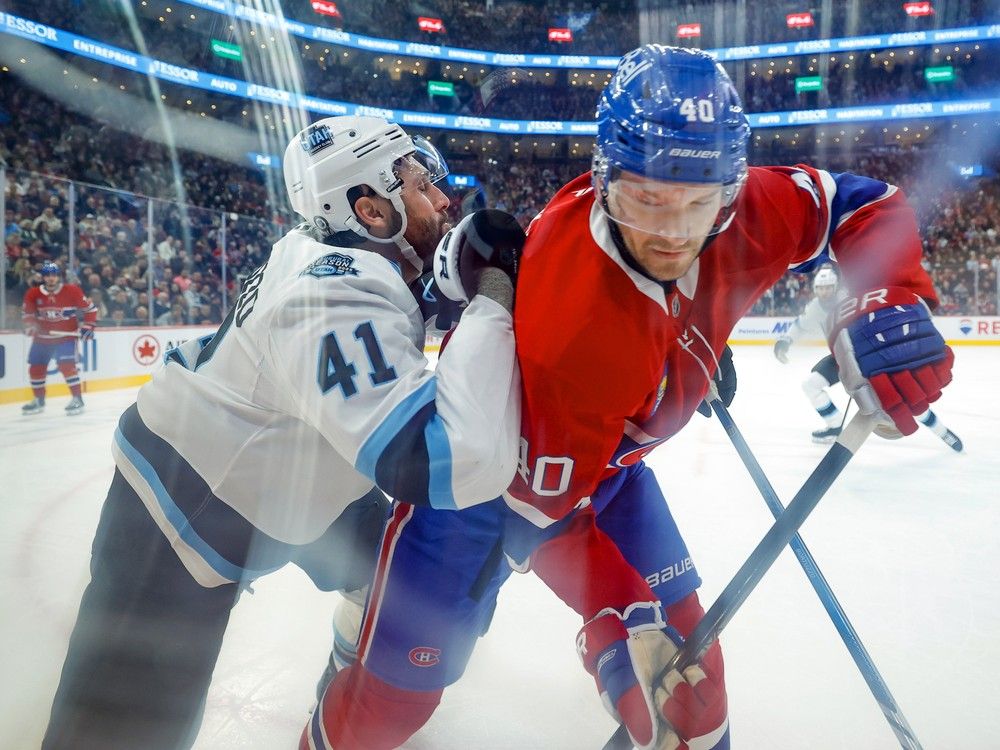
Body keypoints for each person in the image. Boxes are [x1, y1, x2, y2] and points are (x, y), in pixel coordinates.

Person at [304, 46, 954, 750]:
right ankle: (359, 644)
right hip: (482, 492)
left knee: (697, 694)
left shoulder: (745, 209)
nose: (674, 234)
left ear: (731, 189)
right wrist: (625, 622)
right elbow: (539, 518)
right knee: (387, 713)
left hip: (605, 468)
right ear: (606, 179)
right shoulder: (576, 330)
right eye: (647, 200)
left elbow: (859, 204)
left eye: (698, 204)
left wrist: (884, 295)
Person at [42, 115, 522, 750]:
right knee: (124, 725)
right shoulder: (331, 298)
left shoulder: (337, 248)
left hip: (293, 469)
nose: (442, 198)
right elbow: (445, 460)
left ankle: (349, 681)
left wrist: (456, 279)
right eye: (420, 185)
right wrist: (493, 296)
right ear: (371, 210)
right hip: (189, 495)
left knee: (408, 584)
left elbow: (403, 298)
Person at [774, 264, 963, 449]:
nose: (824, 292)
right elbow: (801, 324)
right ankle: (835, 425)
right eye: (821, 288)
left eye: (828, 288)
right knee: (810, 385)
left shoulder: (849, 297)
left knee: (905, 397)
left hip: (873, 355)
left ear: (835, 286)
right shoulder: (816, 307)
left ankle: (941, 431)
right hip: (842, 358)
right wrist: (785, 341)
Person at [21, 261, 97, 416]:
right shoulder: (33, 293)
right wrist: (30, 326)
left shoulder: (72, 290)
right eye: (47, 275)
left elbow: (90, 309)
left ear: (58, 277)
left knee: (67, 366)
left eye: (54, 275)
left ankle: (77, 398)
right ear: (43, 277)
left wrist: (88, 326)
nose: (51, 278)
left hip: (65, 337)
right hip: (42, 339)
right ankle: (38, 400)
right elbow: (27, 314)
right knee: (35, 368)